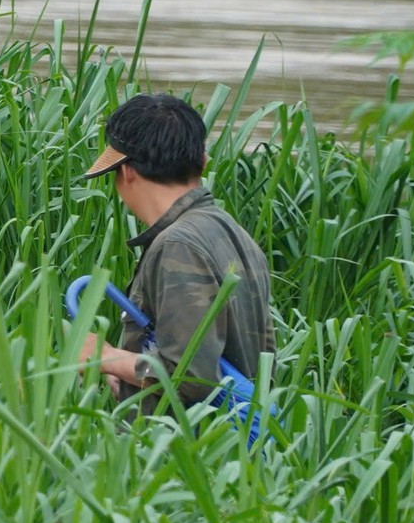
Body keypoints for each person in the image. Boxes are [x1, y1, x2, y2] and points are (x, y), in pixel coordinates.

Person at [75, 93, 274, 408]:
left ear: (126, 172)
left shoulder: (178, 245)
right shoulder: (231, 233)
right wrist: (126, 375)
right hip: (231, 446)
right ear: (203, 161)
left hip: (183, 452)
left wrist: (105, 356)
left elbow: (188, 378)